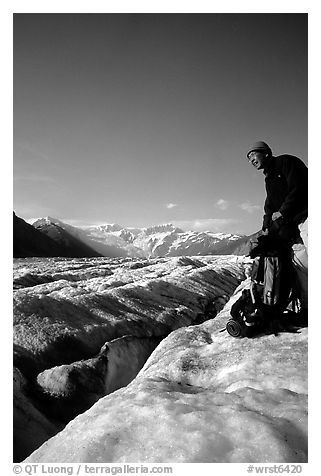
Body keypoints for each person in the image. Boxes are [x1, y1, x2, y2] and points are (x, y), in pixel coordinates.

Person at [246, 141, 308, 317]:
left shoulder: (286, 162)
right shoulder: (269, 178)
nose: (251, 160)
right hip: (295, 224)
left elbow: (300, 188)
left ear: (266, 153)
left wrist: (282, 212)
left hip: (308, 215)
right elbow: (269, 207)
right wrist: (266, 227)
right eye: (248, 158)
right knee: (301, 264)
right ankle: (307, 307)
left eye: (253, 155)